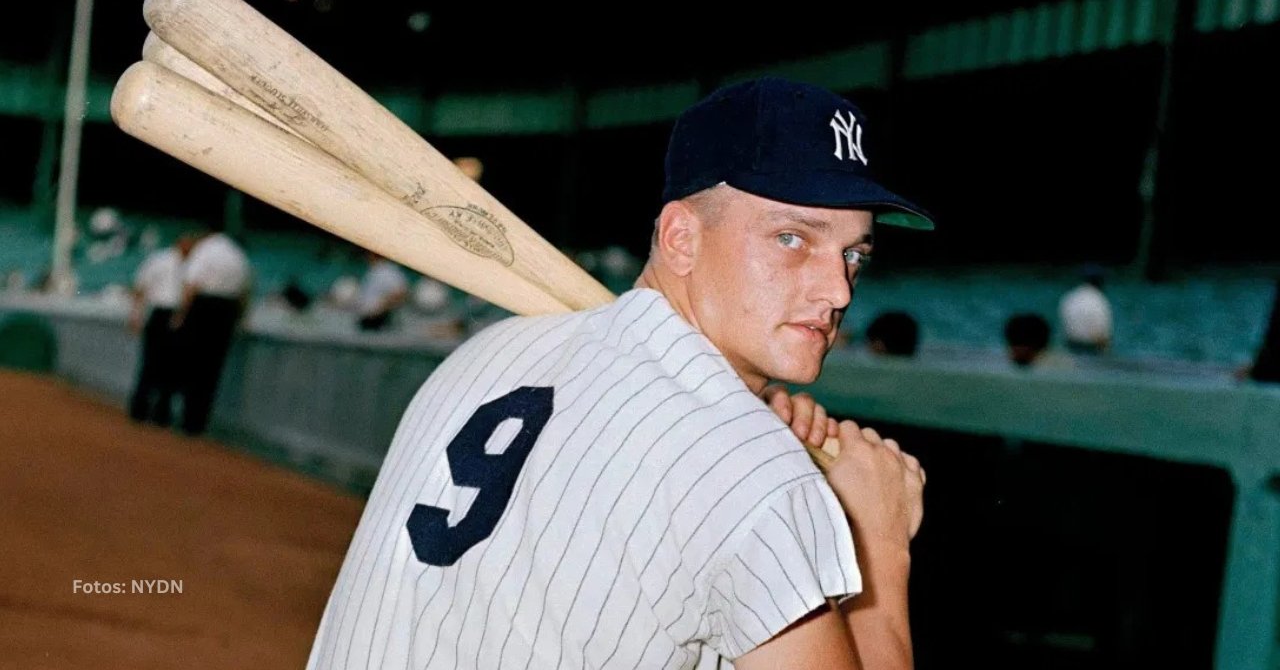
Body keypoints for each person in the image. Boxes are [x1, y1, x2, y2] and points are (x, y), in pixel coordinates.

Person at [305, 77, 934, 670]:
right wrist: (876, 543)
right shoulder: (753, 472)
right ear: (680, 237)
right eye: (792, 239)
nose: (839, 289)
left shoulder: (488, 352)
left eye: (853, 253)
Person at [171, 227, 252, 435]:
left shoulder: (205, 250)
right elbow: (245, 291)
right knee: (211, 369)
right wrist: (241, 319)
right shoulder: (238, 254)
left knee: (192, 363)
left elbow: (192, 285)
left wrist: (181, 314)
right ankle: (199, 421)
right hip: (227, 311)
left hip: (203, 308)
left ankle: (187, 418)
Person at [127, 234, 194, 426]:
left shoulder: (193, 263)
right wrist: (136, 314)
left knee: (173, 366)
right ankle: (140, 409)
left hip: (180, 315)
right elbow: (141, 287)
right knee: (150, 362)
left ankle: (161, 413)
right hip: (160, 313)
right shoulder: (159, 260)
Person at [1058, 266, 1112, 354]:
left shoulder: (1069, 297)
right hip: (1092, 349)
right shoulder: (1099, 299)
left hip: (1071, 347)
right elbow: (1103, 335)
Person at [355, 250, 410, 331]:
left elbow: (400, 293)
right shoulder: (374, 270)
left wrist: (378, 310)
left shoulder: (388, 271)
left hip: (379, 321)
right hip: (367, 319)